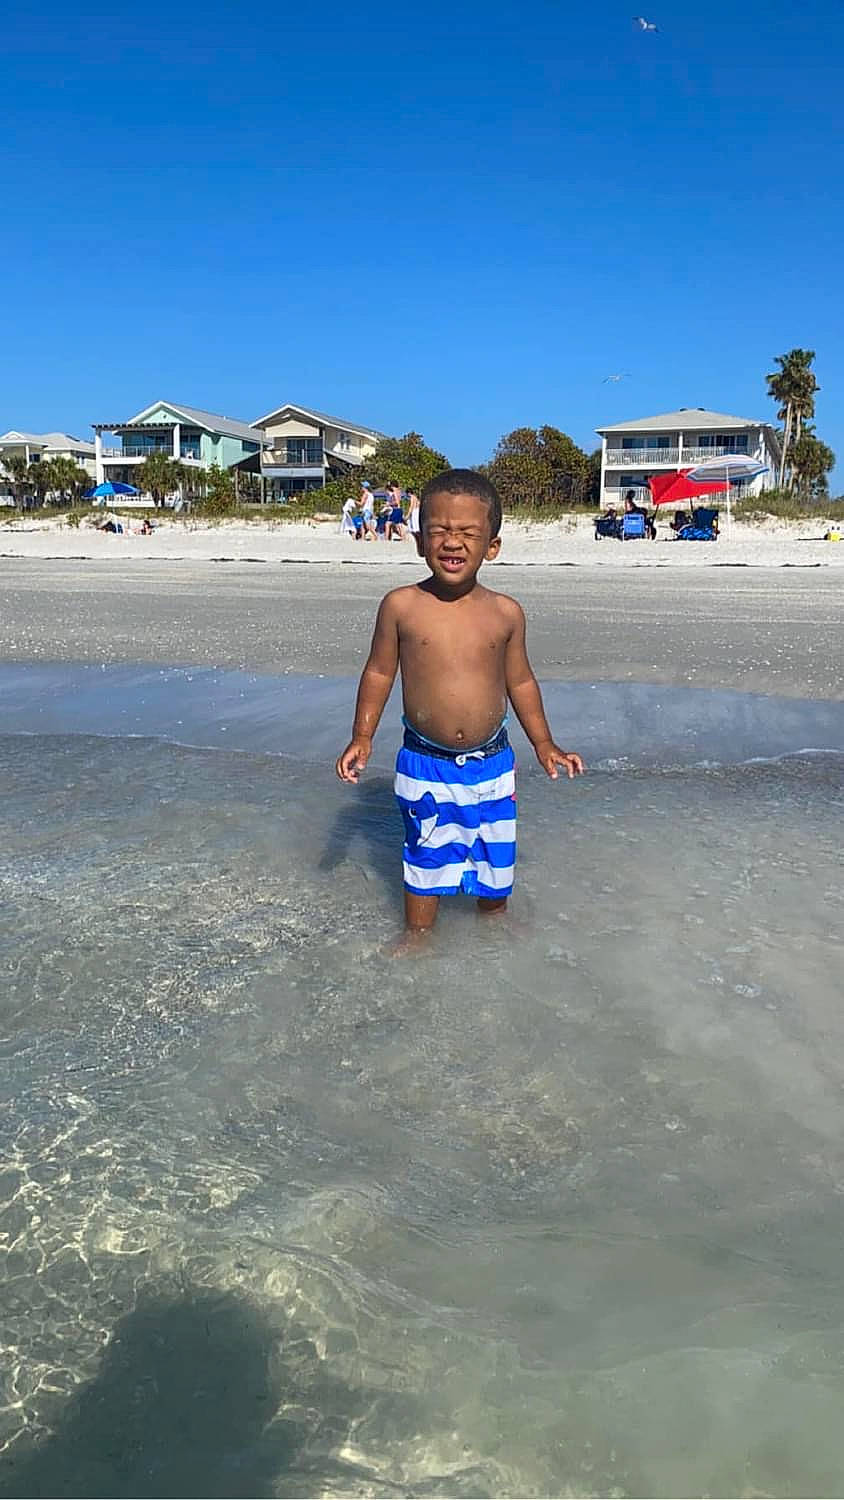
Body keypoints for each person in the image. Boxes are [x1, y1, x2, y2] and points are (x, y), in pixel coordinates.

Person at [336, 468, 584, 945]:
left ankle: (494, 928)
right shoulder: (401, 606)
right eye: (439, 531)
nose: (452, 542)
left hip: (493, 763)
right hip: (424, 761)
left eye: (468, 533)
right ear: (419, 542)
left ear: (492, 546)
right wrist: (362, 737)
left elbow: (521, 681)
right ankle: (417, 936)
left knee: (495, 857)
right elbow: (379, 673)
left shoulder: (506, 613)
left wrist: (545, 743)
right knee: (425, 856)